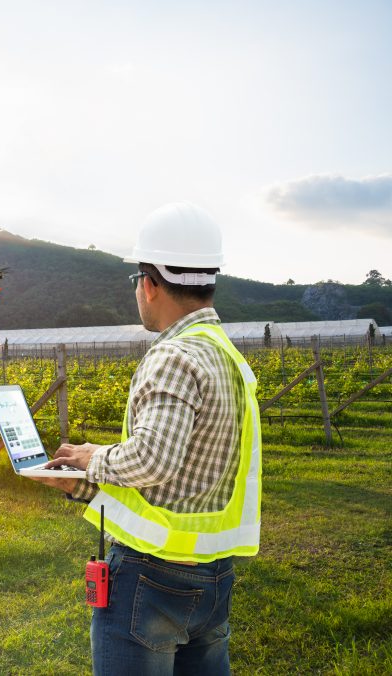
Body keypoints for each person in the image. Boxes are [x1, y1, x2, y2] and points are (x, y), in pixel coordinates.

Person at [28, 202, 262, 675]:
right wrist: (82, 485)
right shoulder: (227, 356)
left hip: (152, 581)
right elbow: (182, 484)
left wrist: (93, 457)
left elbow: (154, 461)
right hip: (213, 577)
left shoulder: (174, 355)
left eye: (137, 281)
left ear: (150, 284)